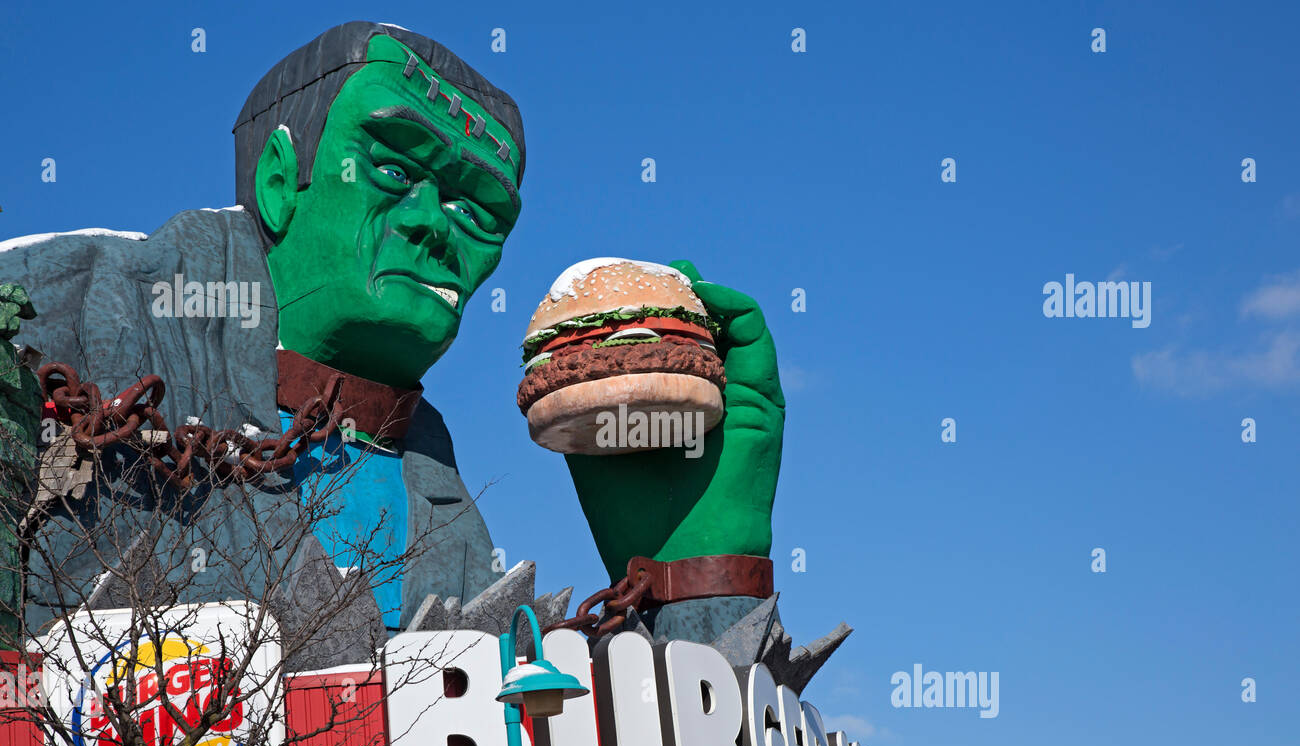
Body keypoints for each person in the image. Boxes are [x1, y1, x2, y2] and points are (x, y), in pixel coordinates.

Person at [0, 23, 819, 681]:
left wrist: (696, 579)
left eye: (480, 208)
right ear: (284, 180)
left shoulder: (439, 500)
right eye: (392, 165)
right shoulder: (58, 308)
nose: (434, 222)